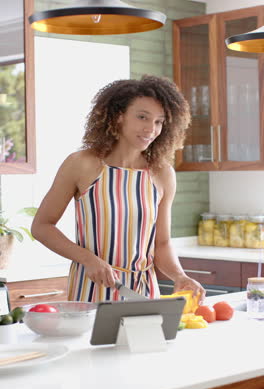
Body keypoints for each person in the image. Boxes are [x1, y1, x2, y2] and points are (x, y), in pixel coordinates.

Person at [31, 75, 205, 303]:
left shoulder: (162, 174)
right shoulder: (82, 164)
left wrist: (179, 276)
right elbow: (42, 226)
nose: (151, 129)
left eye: (159, 122)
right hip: (91, 290)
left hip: (143, 293)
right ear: (118, 116)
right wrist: (88, 259)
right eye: (143, 117)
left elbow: (161, 244)